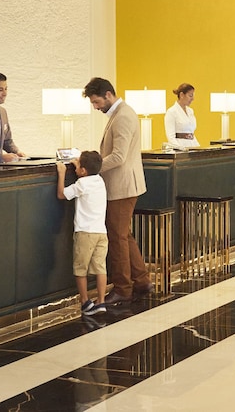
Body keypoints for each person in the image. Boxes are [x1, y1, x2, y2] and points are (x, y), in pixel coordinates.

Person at [83, 77, 153, 305]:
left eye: (96, 102)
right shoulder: (120, 113)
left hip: (121, 186)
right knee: (123, 234)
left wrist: (92, 168)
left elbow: (119, 156)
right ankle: (141, 280)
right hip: (123, 185)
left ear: (108, 95)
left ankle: (123, 288)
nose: (95, 107)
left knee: (117, 236)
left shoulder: (122, 116)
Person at [56, 151, 108, 316]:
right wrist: (78, 164)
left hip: (85, 233)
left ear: (83, 171)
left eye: (78, 164)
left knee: (80, 268)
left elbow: (61, 194)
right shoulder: (100, 181)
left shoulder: (82, 184)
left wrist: (62, 173)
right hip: (101, 232)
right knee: (100, 267)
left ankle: (85, 301)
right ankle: (101, 301)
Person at [164, 83, 200, 148]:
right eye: (190, 96)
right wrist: (180, 149)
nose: (193, 99)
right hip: (179, 146)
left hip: (192, 145)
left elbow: (191, 133)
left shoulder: (190, 111)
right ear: (182, 95)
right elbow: (171, 137)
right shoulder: (171, 112)